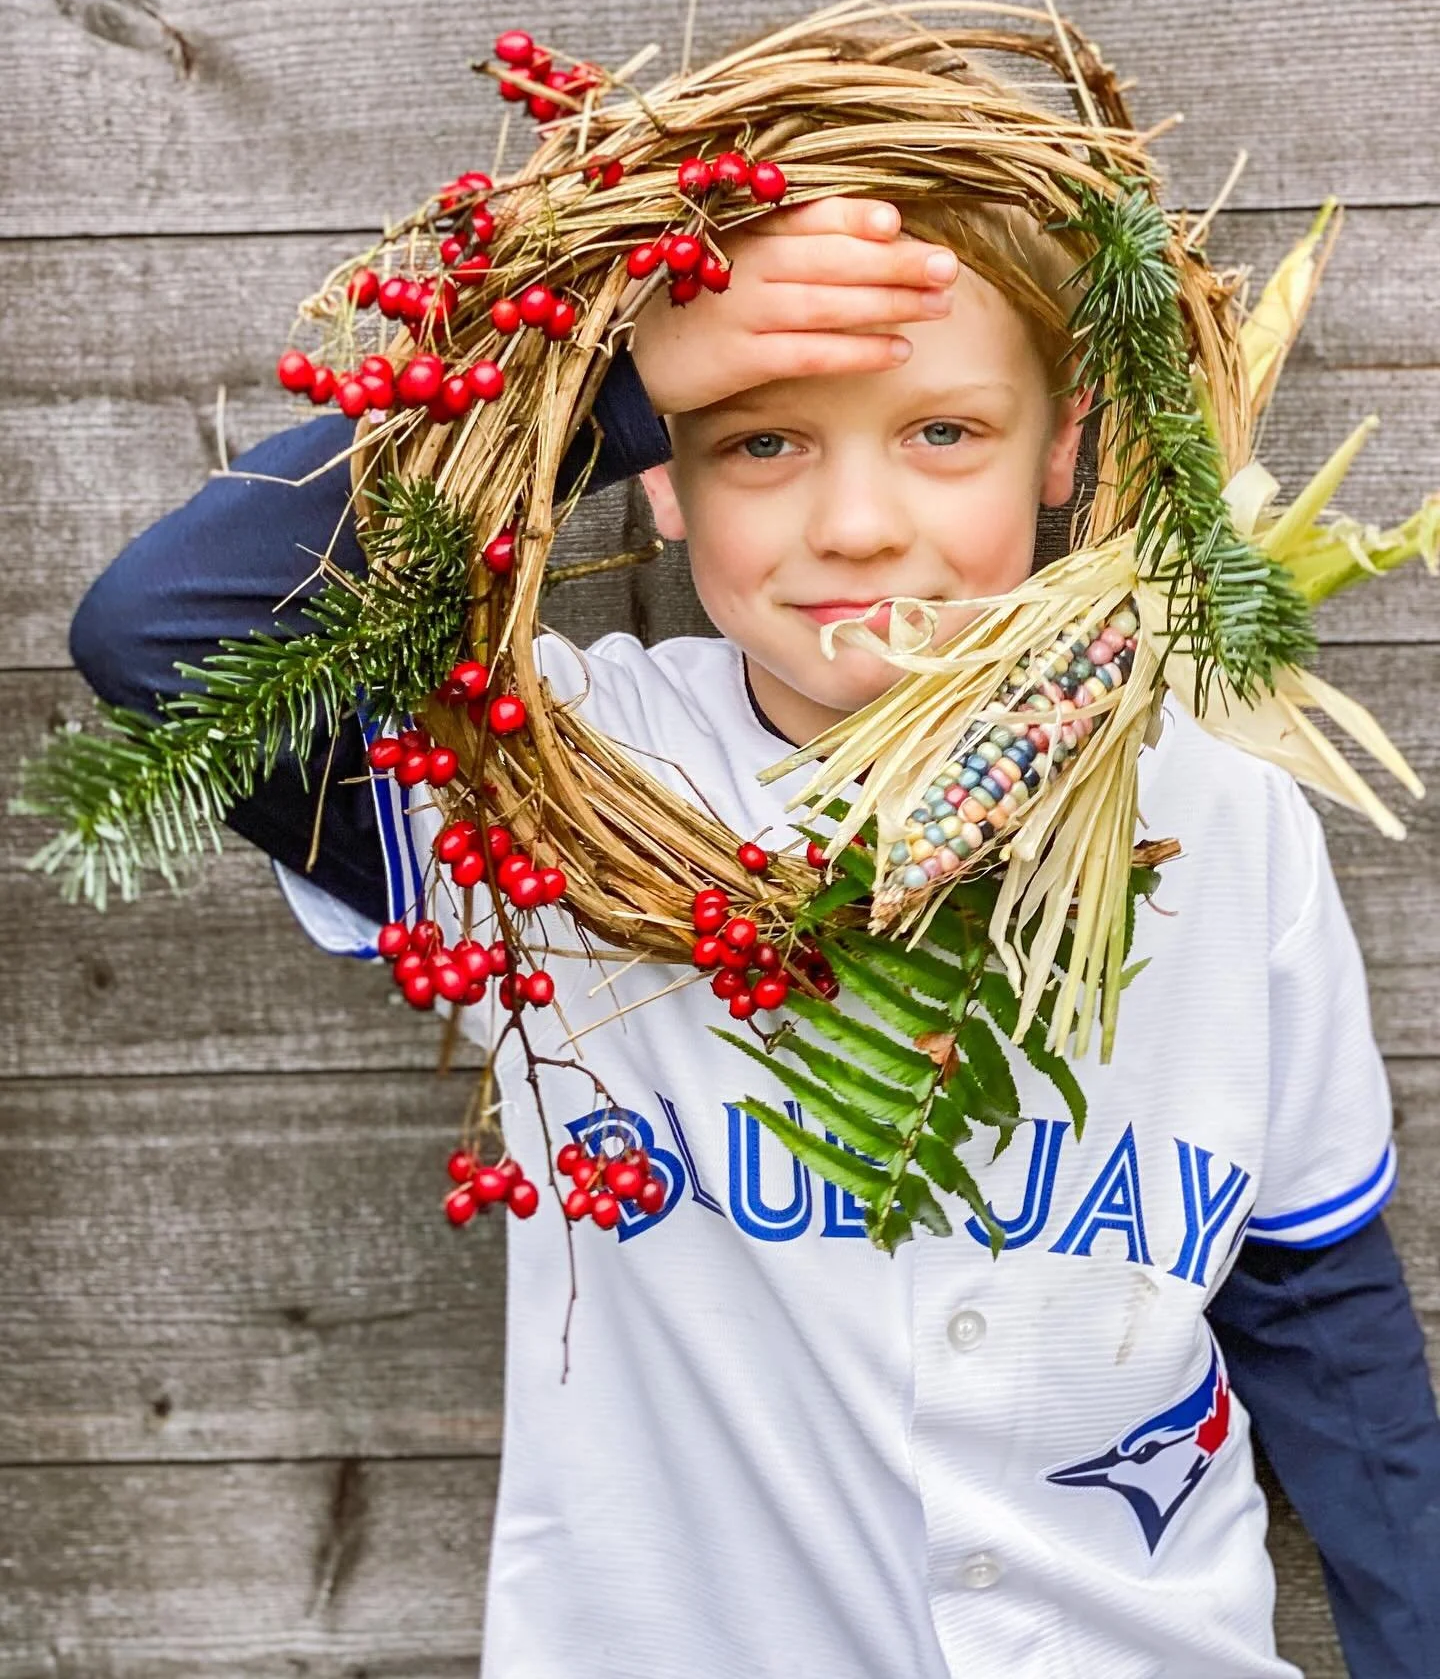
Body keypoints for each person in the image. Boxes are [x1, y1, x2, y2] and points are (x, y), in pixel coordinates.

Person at [69, 192, 1440, 1676]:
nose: (857, 525)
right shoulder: (555, 777)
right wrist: (615, 377)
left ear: (1065, 443)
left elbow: (1317, 1299)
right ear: (662, 482)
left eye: (944, 433)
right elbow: (164, 628)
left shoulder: (1227, 809)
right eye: (760, 439)